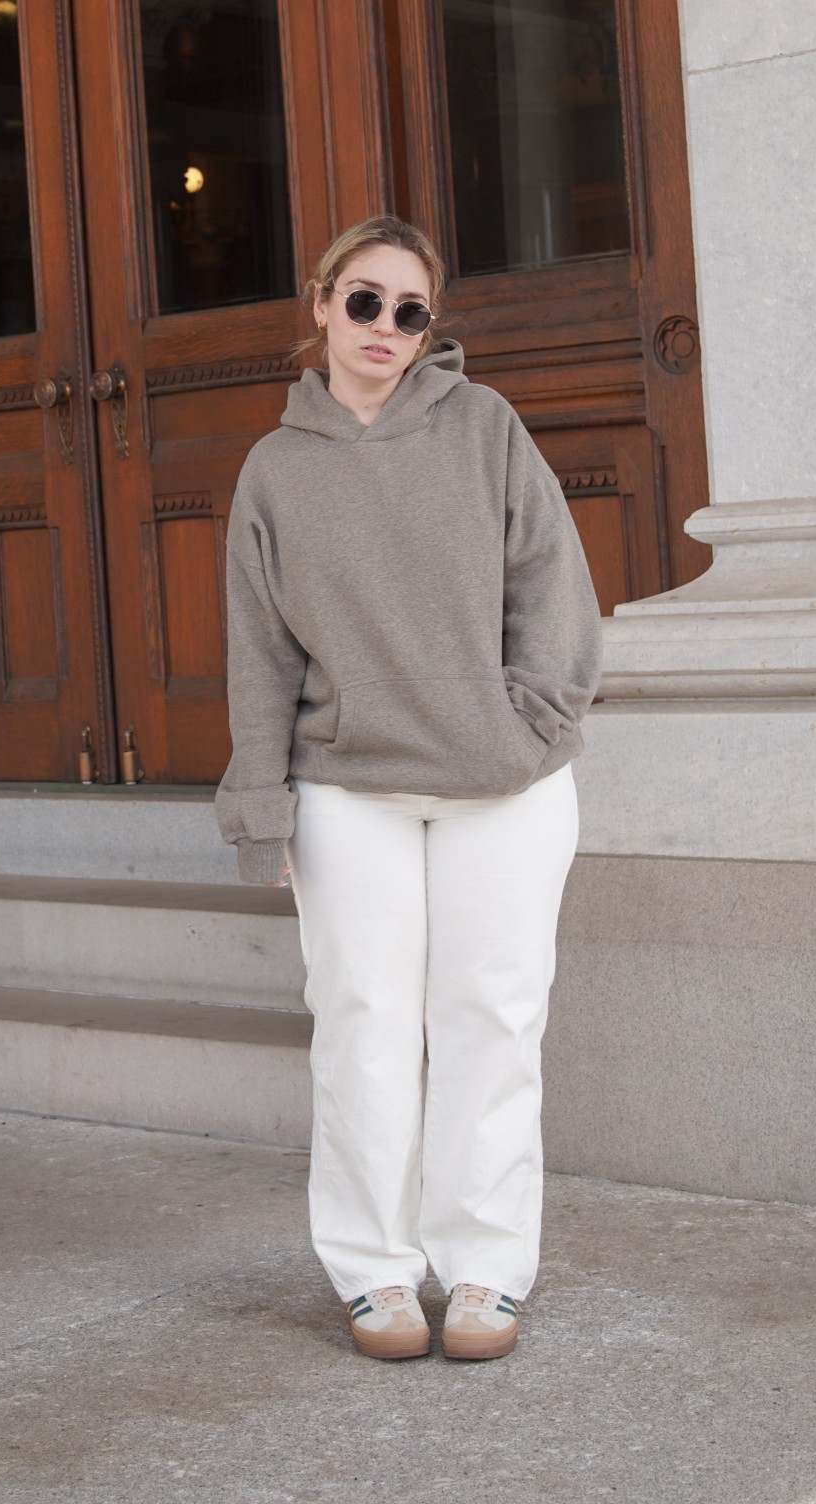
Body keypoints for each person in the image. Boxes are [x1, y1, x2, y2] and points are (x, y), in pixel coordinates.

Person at [216, 215, 602, 1362]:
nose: (383, 325)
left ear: (429, 327)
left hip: (505, 783)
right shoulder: (274, 468)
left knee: (492, 1019)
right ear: (320, 303)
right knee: (361, 1025)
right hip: (348, 784)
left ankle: (485, 1268)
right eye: (362, 300)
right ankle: (373, 1271)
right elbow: (258, 654)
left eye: (409, 309)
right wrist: (261, 805)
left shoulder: (484, 427)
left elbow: (552, 586)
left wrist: (528, 723)